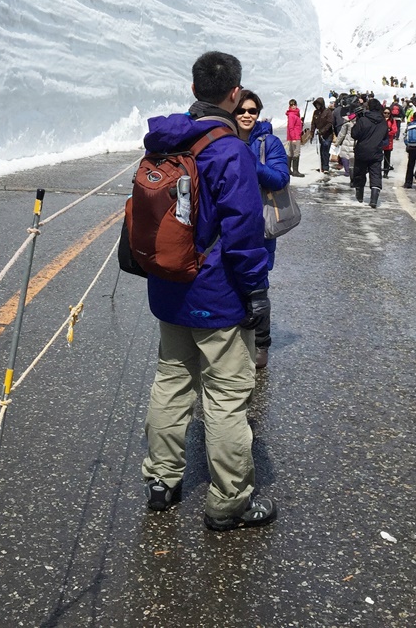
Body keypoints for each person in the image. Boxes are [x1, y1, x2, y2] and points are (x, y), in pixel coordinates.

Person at [140, 51, 278, 530]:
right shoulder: (228, 150)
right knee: (225, 396)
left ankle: (162, 481)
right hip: (216, 294)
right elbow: (242, 233)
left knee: (172, 381)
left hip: (169, 285)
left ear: (195, 88)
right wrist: (255, 291)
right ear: (234, 93)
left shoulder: (164, 141)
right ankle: (229, 502)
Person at [234, 89, 288, 370]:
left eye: (252, 111)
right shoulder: (222, 140)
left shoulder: (269, 143)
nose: (246, 115)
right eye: (241, 110)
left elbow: (280, 178)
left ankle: (260, 345)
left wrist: (250, 162)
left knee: (257, 286)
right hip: (229, 225)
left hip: (259, 225)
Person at [349, 97, 387, 208]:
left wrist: (358, 121)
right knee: (375, 174)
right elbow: (385, 137)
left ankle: (359, 194)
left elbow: (354, 134)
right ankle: (374, 199)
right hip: (376, 151)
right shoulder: (383, 121)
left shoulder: (363, 119)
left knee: (360, 172)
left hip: (362, 151)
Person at [310, 97, 335, 173]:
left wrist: (323, 130)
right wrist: (312, 134)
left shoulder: (327, 112)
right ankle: (322, 166)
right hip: (319, 135)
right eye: (316, 105)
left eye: (319, 104)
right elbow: (313, 124)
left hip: (327, 135)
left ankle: (326, 167)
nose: (318, 106)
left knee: (325, 151)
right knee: (321, 151)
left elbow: (330, 123)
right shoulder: (316, 112)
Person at [283, 98, 304, 177]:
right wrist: (294, 138)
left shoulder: (296, 114)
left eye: (294, 104)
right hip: (294, 137)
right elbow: (291, 127)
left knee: (291, 153)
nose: (294, 106)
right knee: (296, 153)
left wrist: (300, 121)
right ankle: (295, 171)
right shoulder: (292, 115)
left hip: (295, 136)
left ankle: (288, 170)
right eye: (292, 105)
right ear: (290, 106)